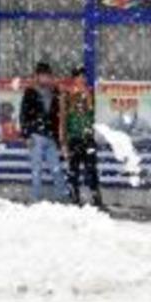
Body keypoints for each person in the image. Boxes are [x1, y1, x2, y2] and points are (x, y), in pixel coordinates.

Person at [19, 62, 67, 202]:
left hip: (51, 137)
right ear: (37, 76)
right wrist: (27, 135)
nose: (45, 79)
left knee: (57, 169)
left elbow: (58, 117)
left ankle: (62, 198)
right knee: (36, 171)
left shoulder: (55, 93)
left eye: (48, 76)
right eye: (43, 76)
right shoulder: (30, 92)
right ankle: (36, 200)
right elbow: (24, 115)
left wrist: (59, 140)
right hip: (36, 136)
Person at [60, 67, 103, 208]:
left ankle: (97, 200)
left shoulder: (90, 93)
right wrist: (63, 142)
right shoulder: (66, 95)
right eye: (79, 77)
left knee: (92, 170)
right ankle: (75, 200)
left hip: (88, 138)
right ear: (74, 79)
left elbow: (93, 115)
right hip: (74, 139)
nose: (82, 79)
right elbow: (63, 120)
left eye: (83, 77)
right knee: (74, 171)